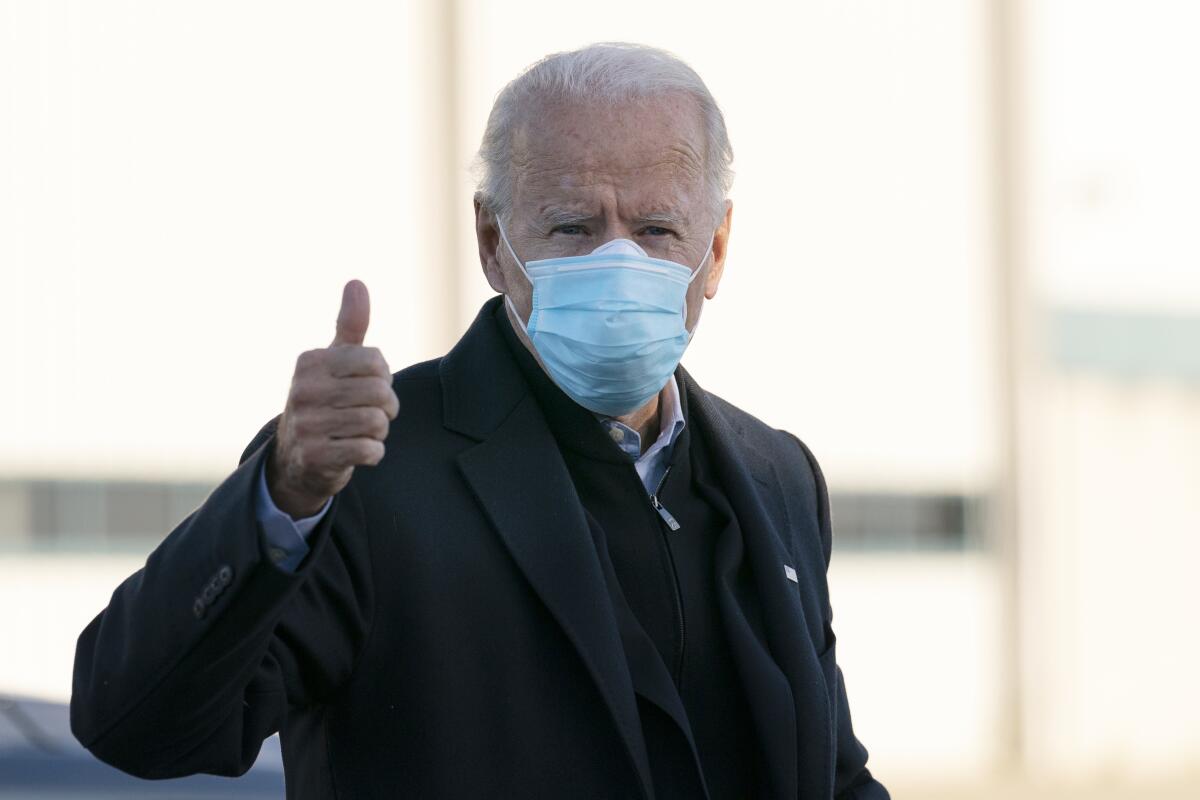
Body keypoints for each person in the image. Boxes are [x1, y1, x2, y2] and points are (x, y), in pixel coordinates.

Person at [70, 42, 889, 800]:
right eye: (573, 226)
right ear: (493, 241)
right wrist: (282, 497)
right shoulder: (364, 469)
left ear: (714, 250)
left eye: (655, 229)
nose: (617, 261)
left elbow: (831, 774)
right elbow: (136, 727)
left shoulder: (775, 475)